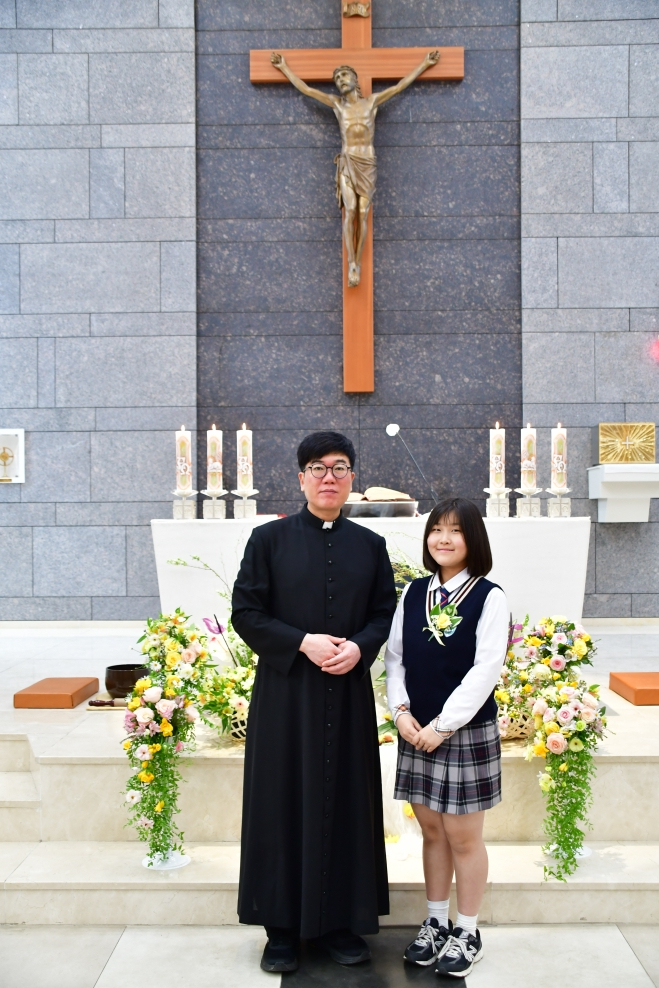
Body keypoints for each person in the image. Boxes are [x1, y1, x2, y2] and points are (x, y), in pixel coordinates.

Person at [232, 431, 397, 973]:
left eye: (340, 467)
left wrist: (361, 647)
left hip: (346, 694)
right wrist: (302, 642)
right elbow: (246, 613)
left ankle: (341, 924)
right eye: (318, 468)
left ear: (352, 478)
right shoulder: (268, 540)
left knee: (346, 799)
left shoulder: (370, 545)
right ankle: (279, 930)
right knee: (280, 800)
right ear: (301, 477)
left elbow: (383, 612)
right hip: (286, 697)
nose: (329, 477)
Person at [384, 497, 508, 978]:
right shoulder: (414, 592)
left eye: (455, 530)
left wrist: (443, 725)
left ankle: (468, 930)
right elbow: (396, 657)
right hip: (416, 731)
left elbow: (485, 670)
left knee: (463, 836)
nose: (443, 538)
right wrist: (400, 712)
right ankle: (435, 922)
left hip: (462, 732)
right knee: (431, 831)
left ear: (472, 539)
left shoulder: (489, 597)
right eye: (436, 528)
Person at [269, 50, 439, 286]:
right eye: (337, 78)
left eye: (344, 75)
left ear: (355, 80)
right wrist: (284, 68)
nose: (341, 80)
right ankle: (352, 264)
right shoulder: (337, 105)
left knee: (362, 212)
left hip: (367, 163)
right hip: (348, 162)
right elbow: (307, 90)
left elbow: (399, 87)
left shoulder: (371, 102)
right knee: (349, 211)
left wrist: (424, 64)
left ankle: (357, 259)